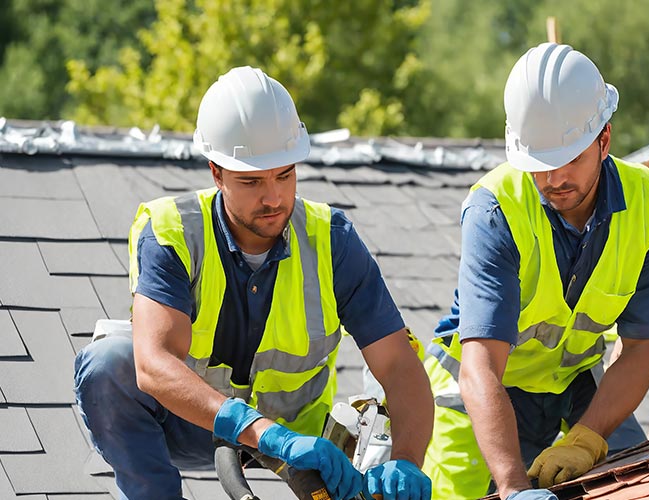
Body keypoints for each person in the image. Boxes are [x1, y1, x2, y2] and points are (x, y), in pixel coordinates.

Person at [74, 66, 434, 500]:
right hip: (194, 422)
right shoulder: (172, 231)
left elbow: (399, 365)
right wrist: (263, 434)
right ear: (216, 173)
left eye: (285, 175)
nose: (274, 198)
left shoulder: (332, 240)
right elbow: (153, 364)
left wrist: (407, 461)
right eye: (252, 181)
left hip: (305, 442)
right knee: (109, 363)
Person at [421, 43, 649, 500]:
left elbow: (640, 348)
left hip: (574, 386)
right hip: (479, 397)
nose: (554, 179)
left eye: (570, 159)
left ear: (604, 140)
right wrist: (514, 486)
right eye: (539, 164)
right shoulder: (494, 209)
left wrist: (584, 440)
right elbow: (480, 367)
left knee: (646, 485)